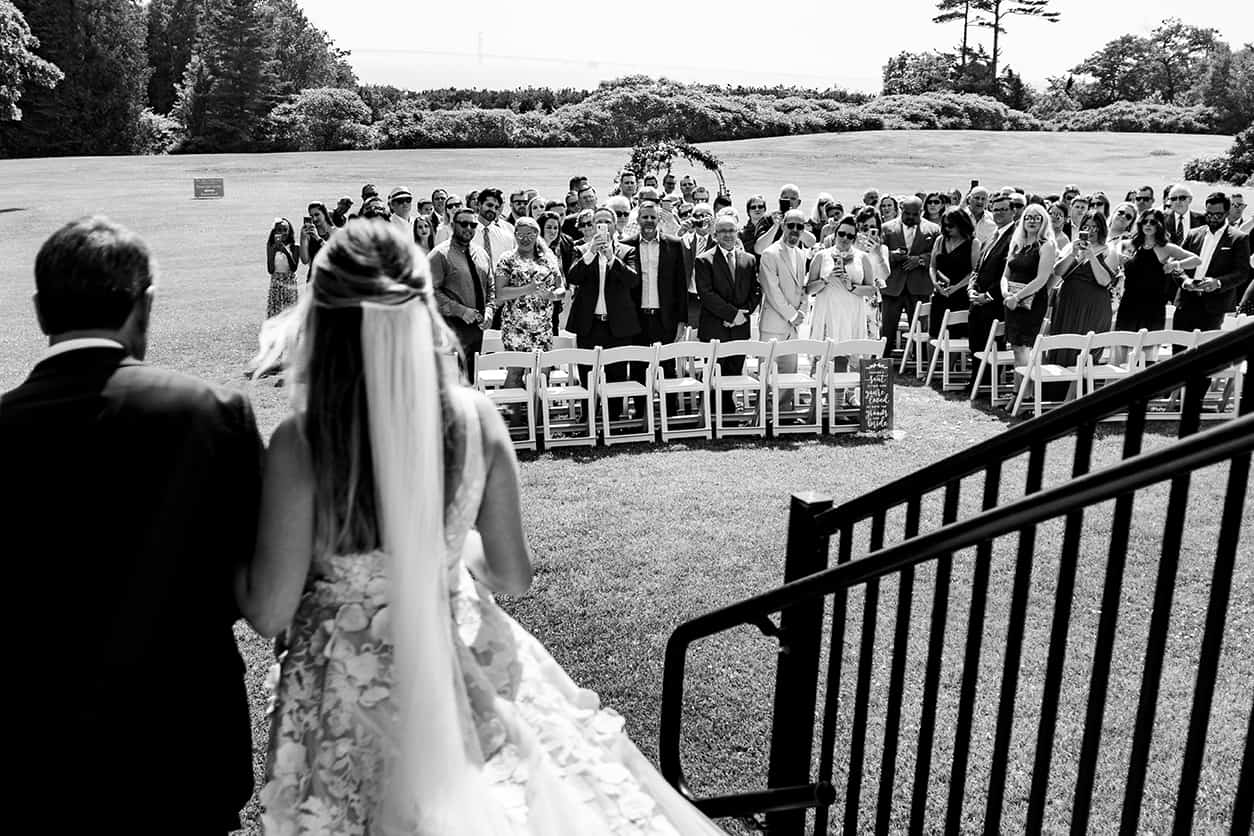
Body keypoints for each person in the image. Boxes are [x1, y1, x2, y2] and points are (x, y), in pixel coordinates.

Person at [239, 219, 726, 835]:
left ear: (324, 318)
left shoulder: (303, 441)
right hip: (465, 650)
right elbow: (513, 575)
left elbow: (269, 611)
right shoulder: (477, 419)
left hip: (347, 681)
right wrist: (445, 547)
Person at [4, 216, 262, 832]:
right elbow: (256, 578)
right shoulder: (211, 412)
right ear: (145, 304)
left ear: (41, 312)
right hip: (183, 744)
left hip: (36, 756)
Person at [494, 217, 565, 418]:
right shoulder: (507, 259)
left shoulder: (548, 258)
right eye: (521, 234)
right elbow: (500, 293)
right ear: (515, 235)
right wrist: (528, 289)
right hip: (516, 328)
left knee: (542, 374)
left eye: (530, 234)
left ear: (537, 235)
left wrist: (552, 295)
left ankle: (538, 424)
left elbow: (562, 289)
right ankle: (512, 423)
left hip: (543, 329)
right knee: (515, 373)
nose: (525, 238)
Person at [696, 215, 762, 413]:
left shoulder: (748, 259)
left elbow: (756, 291)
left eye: (732, 230)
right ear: (715, 235)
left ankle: (727, 413)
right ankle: (710, 414)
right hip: (715, 329)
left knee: (733, 373)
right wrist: (732, 315)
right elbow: (706, 295)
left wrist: (743, 314)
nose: (728, 235)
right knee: (714, 374)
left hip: (740, 330)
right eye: (723, 231)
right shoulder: (704, 260)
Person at [1113, 209, 1198, 335]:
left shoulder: (1167, 248)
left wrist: (1176, 264)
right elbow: (1116, 252)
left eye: (1152, 222)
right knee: (1122, 347)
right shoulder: (1127, 244)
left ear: (1160, 225)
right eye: (1144, 221)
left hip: (1154, 306)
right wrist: (1119, 257)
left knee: (1149, 350)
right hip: (1129, 303)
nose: (1148, 225)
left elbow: (1196, 260)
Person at [1174, 192, 1251, 331]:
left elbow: (1242, 272)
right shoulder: (1193, 234)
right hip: (1186, 302)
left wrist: (1218, 282)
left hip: (1215, 306)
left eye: (1218, 215)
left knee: (1206, 350)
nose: (1212, 218)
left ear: (1227, 213)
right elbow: (1176, 264)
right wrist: (1185, 281)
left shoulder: (1238, 238)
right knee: (1178, 349)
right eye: (1208, 214)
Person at [758, 209, 811, 409]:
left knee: (790, 373)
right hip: (774, 323)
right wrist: (792, 314)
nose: (795, 230)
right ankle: (763, 415)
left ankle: (784, 413)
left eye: (800, 226)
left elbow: (803, 288)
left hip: (794, 325)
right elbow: (772, 290)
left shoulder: (801, 253)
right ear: (783, 226)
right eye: (791, 225)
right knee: (767, 374)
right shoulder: (770, 253)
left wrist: (802, 312)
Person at [430, 206, 494, 369]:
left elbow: (491, 286)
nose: (468, 228)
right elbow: (430, 292)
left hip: (478, 330)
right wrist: (461, 311)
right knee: (452, 382)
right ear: (453, 225)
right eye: (463, 224)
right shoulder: (439, 255)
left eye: (473, 225)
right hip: (451, 328)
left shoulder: (482, 254)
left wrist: (489, 310)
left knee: (472, 380)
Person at [1050, 209, 1117, 365]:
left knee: (1085, 353)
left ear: (1102, 229)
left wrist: (1091, 256)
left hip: (1094, 307)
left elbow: (1104, 281)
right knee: (1062, 348)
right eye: (1086, 226)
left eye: (1095, 227)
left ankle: (1081, 389)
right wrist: (1073, 253)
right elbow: (1057, 271)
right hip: (1067, 304)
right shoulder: (1070, 247)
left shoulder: (1109, 251)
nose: (1091, 231)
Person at [881, 196, 940, 355]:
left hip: (919, 286)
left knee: (920, 329)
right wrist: (893, 255)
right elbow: (878, 254)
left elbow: (938, 256)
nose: (911, 217)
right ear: (901, 210)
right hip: (893, 286)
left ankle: (919, 361)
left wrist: (920, 260)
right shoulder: (886, 228)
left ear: (921, 211)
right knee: (887, 328)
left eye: (915, 214)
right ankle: (883, 360)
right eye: (907, 214)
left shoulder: (933, 229)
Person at [1001, 203, 1057, 366]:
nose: (1032, 221)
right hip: (1011, 303)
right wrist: (1006, 294)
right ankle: (1019, 391)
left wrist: (1017, 297)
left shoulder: (1047, 245)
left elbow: (1042, 279)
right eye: (1028, 217)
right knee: (1016, 347)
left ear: (1044, 221)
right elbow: (1005, 274)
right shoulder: (1017, 244)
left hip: (1032, 303)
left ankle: (1028, 390)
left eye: (1037, 218)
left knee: (1027, 347)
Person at [967, 193, 1017, 354]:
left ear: (1013, 212)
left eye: (1003, 209)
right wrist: (971, 289)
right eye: (995, 210)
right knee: (976, 349)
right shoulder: (992, 236)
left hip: (994, 306)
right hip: (977, 304)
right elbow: (978, 269)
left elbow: (1008, 274)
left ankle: (988, 381)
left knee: (992, 354)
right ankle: (976, 380)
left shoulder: (1014, 238)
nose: (999, 213)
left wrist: (987, 296)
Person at [928, 207, 979, 340]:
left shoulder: (973, 243)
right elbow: (932, 266)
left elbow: (975, 272)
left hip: (960, 296)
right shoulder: (940, 240)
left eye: (950, 225)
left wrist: (956, 288)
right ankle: (931, 362)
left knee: (955, 336)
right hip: (940, 293)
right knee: (933, 334)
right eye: (944, 225)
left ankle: (950, 362)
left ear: (961, 224)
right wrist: (934, 283)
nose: (947, 229)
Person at [682, 202, 717, 327]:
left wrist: (714, 233)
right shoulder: (685, 240)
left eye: (707, 215)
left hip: (713, 299)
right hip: (690, 298)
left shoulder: (719, 241)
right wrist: (680, 231)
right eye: (699, 215)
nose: (702, 219)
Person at [266, 217, 300, 318]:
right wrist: (273, 251)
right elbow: (270, 270)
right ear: (274, 232)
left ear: (289, 231)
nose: (283, 233)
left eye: (285, 230)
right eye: (279, 230)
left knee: (290, 312)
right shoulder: (270, 246)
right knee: (276, 313)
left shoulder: (295, 246)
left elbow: (294, 268)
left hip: (289, 281)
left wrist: (286, 252)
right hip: (276, 282)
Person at [475, 187, 515, 270]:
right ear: (479, 204)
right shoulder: (467, 233)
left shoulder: (506, 237)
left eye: (496, 207)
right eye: (489, 205)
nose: (493, 210)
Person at [299, 202, 333, 280]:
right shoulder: (309, 235)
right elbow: (305, 260)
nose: (314, 219)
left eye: (317, 215)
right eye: (311, 216)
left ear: (324, 214)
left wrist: (317, 238)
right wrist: (303, 238)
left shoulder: (336, 232)